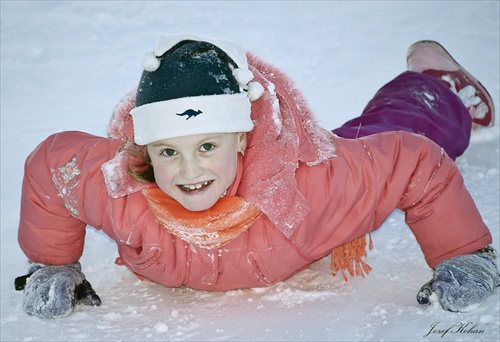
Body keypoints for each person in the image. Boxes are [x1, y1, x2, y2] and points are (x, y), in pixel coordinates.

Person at [16, 34, 498, 319]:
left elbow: (414, 162)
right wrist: (54, 262)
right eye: (168, 151)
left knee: (389, 129)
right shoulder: (120, 187)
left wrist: (464, 256)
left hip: (304, 163)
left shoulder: (318, 184)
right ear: (145, 149)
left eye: (207, 146)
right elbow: (50, 166)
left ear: (243, 140)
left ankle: (432, 84)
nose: (188, 171)